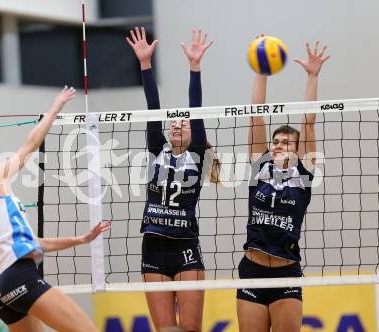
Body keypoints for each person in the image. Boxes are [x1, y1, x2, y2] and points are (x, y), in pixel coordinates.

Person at [0, 87, 111, 332]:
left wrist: (82, 239)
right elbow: (30, 145)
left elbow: (35, 242)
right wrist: (54, 109)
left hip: (0, 292)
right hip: (20, 276)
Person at [237, 41, 330, 332]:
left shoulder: (304, 173)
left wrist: (312, 77)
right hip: (252, 271)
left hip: (286, 273)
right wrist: (261, 71)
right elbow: (256, 115)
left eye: (286, 142)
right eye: (275, 141)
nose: (278, 145)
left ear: (298, 148)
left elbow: (309, 122)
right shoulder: (260, 169)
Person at [126, 27, 214, 331]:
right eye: (174, 121)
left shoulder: (198, 156)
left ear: (194, 133)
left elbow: (197, 108)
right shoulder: (156, 150)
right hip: (153, 247)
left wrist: (195, 67)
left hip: (186, 247)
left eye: (184, 123)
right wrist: (145, 64)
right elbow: (153, 108)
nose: (177, 124)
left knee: (190, 329)